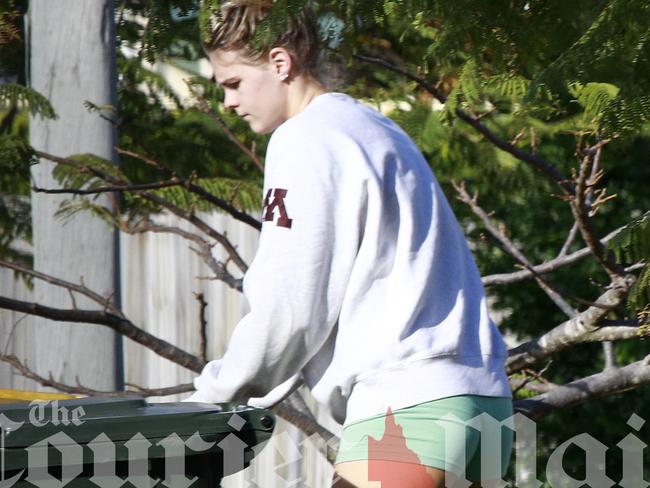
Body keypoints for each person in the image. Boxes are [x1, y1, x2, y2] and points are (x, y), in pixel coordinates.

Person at [186, 1, 513, 486]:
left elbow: (292, 306)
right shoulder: (378, 128)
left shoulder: (304, 138)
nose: (229, 103)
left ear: (280, 63)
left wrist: (215, 395)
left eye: (233, 83)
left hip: (410, 408)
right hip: (484, 404)